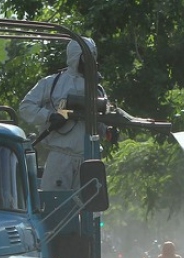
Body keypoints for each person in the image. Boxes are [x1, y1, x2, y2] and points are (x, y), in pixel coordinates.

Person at [19, 37, 116, 190]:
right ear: (77, 57)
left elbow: (100, 123)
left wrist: (108, 131)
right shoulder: (52, 83)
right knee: (56, 207)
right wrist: (50, 116)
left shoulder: (97, 89)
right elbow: (25, 108)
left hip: (89, 159)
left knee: (90, 209)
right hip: (61, 157)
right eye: (87, 58)